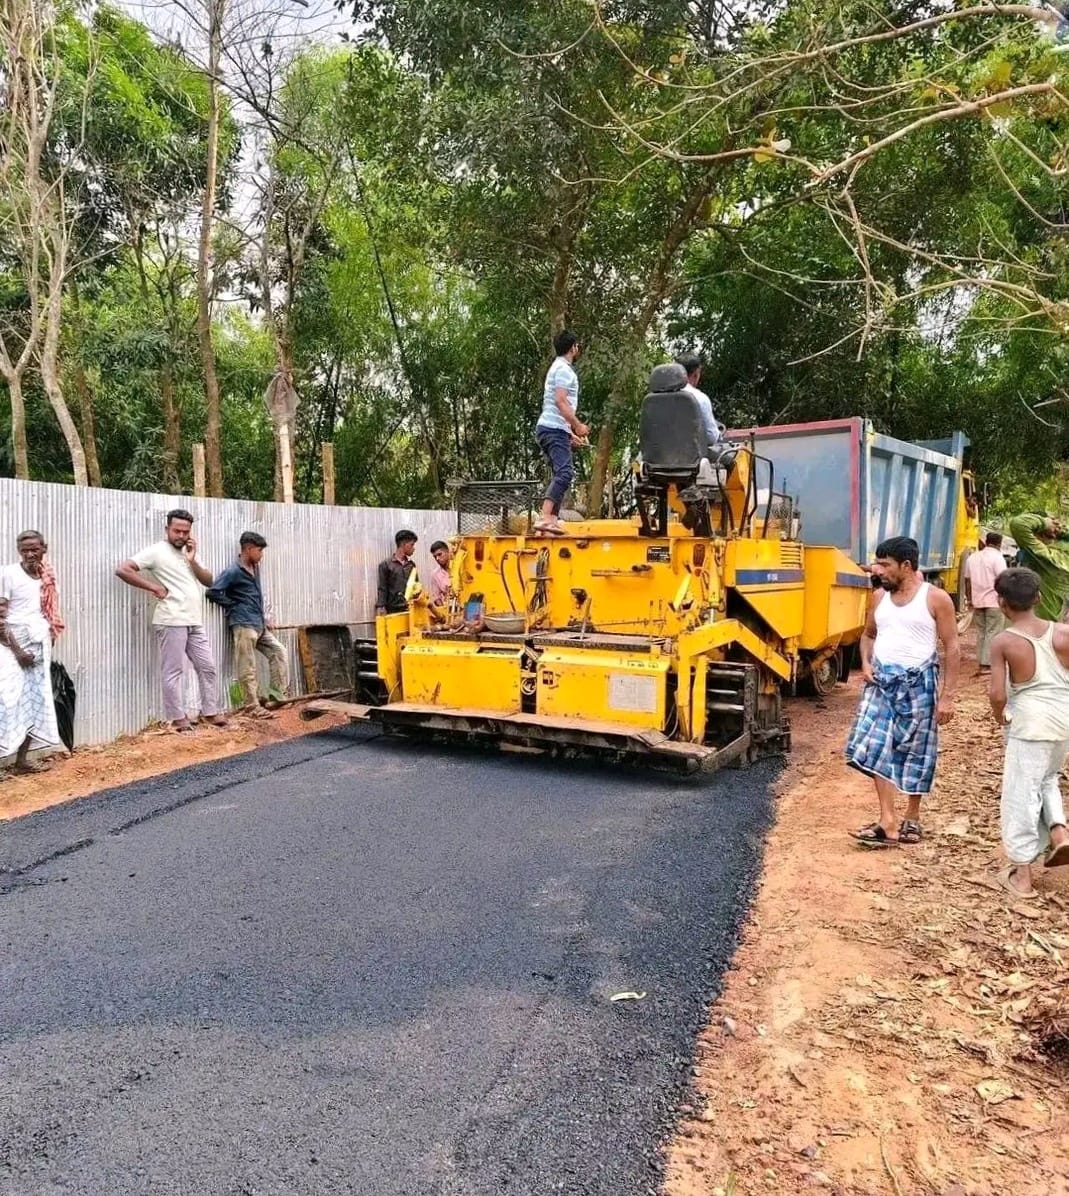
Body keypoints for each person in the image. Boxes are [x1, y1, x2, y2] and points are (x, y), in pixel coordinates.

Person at [846, 536, 960, 847]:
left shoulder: (936, 599)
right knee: (875, 746)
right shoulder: (879, 598)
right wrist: (866, 663)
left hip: (920, 683)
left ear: (906, 566)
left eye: (884, 564)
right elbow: (868, 635)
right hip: (881, 683)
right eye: (877, 562)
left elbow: (952, 647)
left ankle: (912, 816)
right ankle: (888, 820)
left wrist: (947, 696)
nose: (876, 569)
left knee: (916, 751)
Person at [988, 568, 1069, 898]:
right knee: (1049, 777)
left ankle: (1022, 877)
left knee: (1020, 795)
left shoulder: (1004, 641)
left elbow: (997, 694)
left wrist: (1000, 718)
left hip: (1030, 723)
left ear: (1001, 602)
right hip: (1063, 720)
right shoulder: (1063, 633)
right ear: (1037, 598)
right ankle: (1059, 833)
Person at [115, 509, 228, 735]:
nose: (181, 535)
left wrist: (192, 559)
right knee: (173, 671)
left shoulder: (189, 551)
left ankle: (210, 712)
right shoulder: (156, 551)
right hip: (171, 619)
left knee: (207, 666)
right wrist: (153, 587)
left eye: (185, 531)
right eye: (177, 530)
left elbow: (209, 581)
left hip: (194, 620)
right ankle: (178, 719)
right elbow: (122, 569)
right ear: (167, 529)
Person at [206, 532, 289, 719]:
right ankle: (252, 706)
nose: (262, 555)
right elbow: (213, 592)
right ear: (249, 549)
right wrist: (234, 606)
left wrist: (264, 616)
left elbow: (255, 595)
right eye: (259, 550)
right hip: (244, 624)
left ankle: (276, 696)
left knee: (279, 652)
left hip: (258, 623)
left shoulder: (255, 568)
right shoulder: (233, 571)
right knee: (248, 665)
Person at [0, 532, 62, 772]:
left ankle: (21, 761)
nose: (29, 554)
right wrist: (18, 652)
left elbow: (48, 612)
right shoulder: (8, 574)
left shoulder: (47, 576)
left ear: (43, 548)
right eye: (24, 550)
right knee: (7, 699)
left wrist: (49, 641)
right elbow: (0, 619)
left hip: (38, 644)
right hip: (12, 645)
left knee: (35, 700)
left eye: (34, 549)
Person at [535, 330, 589, 536]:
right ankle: (544, 518)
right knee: (565, 473)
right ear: (573, 347)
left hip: (552, 428)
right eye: (578, 346)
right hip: (553, 428)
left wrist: (569, 435)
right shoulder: (565, 370)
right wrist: (577, 425)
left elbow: (553, 406)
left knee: (561, 473)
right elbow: (560, 401)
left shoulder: (556, 367)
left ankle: (551, 522)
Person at [1007, 512, 1069, 621]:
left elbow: (1018, 524)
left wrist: (1047, 523)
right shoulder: (1063, 558)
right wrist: (1061, 530)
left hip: (1039, 628)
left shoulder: (1045, 557)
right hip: (1056, 628)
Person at [965, 531, 1007, 673]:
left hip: (978, 601)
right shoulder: (998, 557)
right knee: (993, 632)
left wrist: (969, 598)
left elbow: (967, 579)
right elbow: (1003, 579)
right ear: (999, 544)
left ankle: (982, 661)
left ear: (987, 541)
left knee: (981, 632)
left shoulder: (973, 558)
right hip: (994, 601)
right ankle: (987, 664)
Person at [676, 353, 721, 450]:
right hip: (692, 459)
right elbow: (711, 437)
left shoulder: (653, 400)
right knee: (733, 460)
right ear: (696, 374)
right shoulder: (699, 398)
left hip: (659, 459)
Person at [376, 530, 418, 615]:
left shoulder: (411, 565)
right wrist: (381, 606)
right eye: (412, 544)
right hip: (393, 611)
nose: (414, 548)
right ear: (403, 544)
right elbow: (382, 588)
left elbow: (416, 587)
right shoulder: (386, 565)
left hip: (410, 610)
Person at [429, 541, 453, 606]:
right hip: (450, 609)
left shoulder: (459, 566)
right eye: (435, 557)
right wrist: (443, 613)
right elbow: (436, 598)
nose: (437, 558)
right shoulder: (435, 575)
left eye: (439, 554)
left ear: (448, 551)